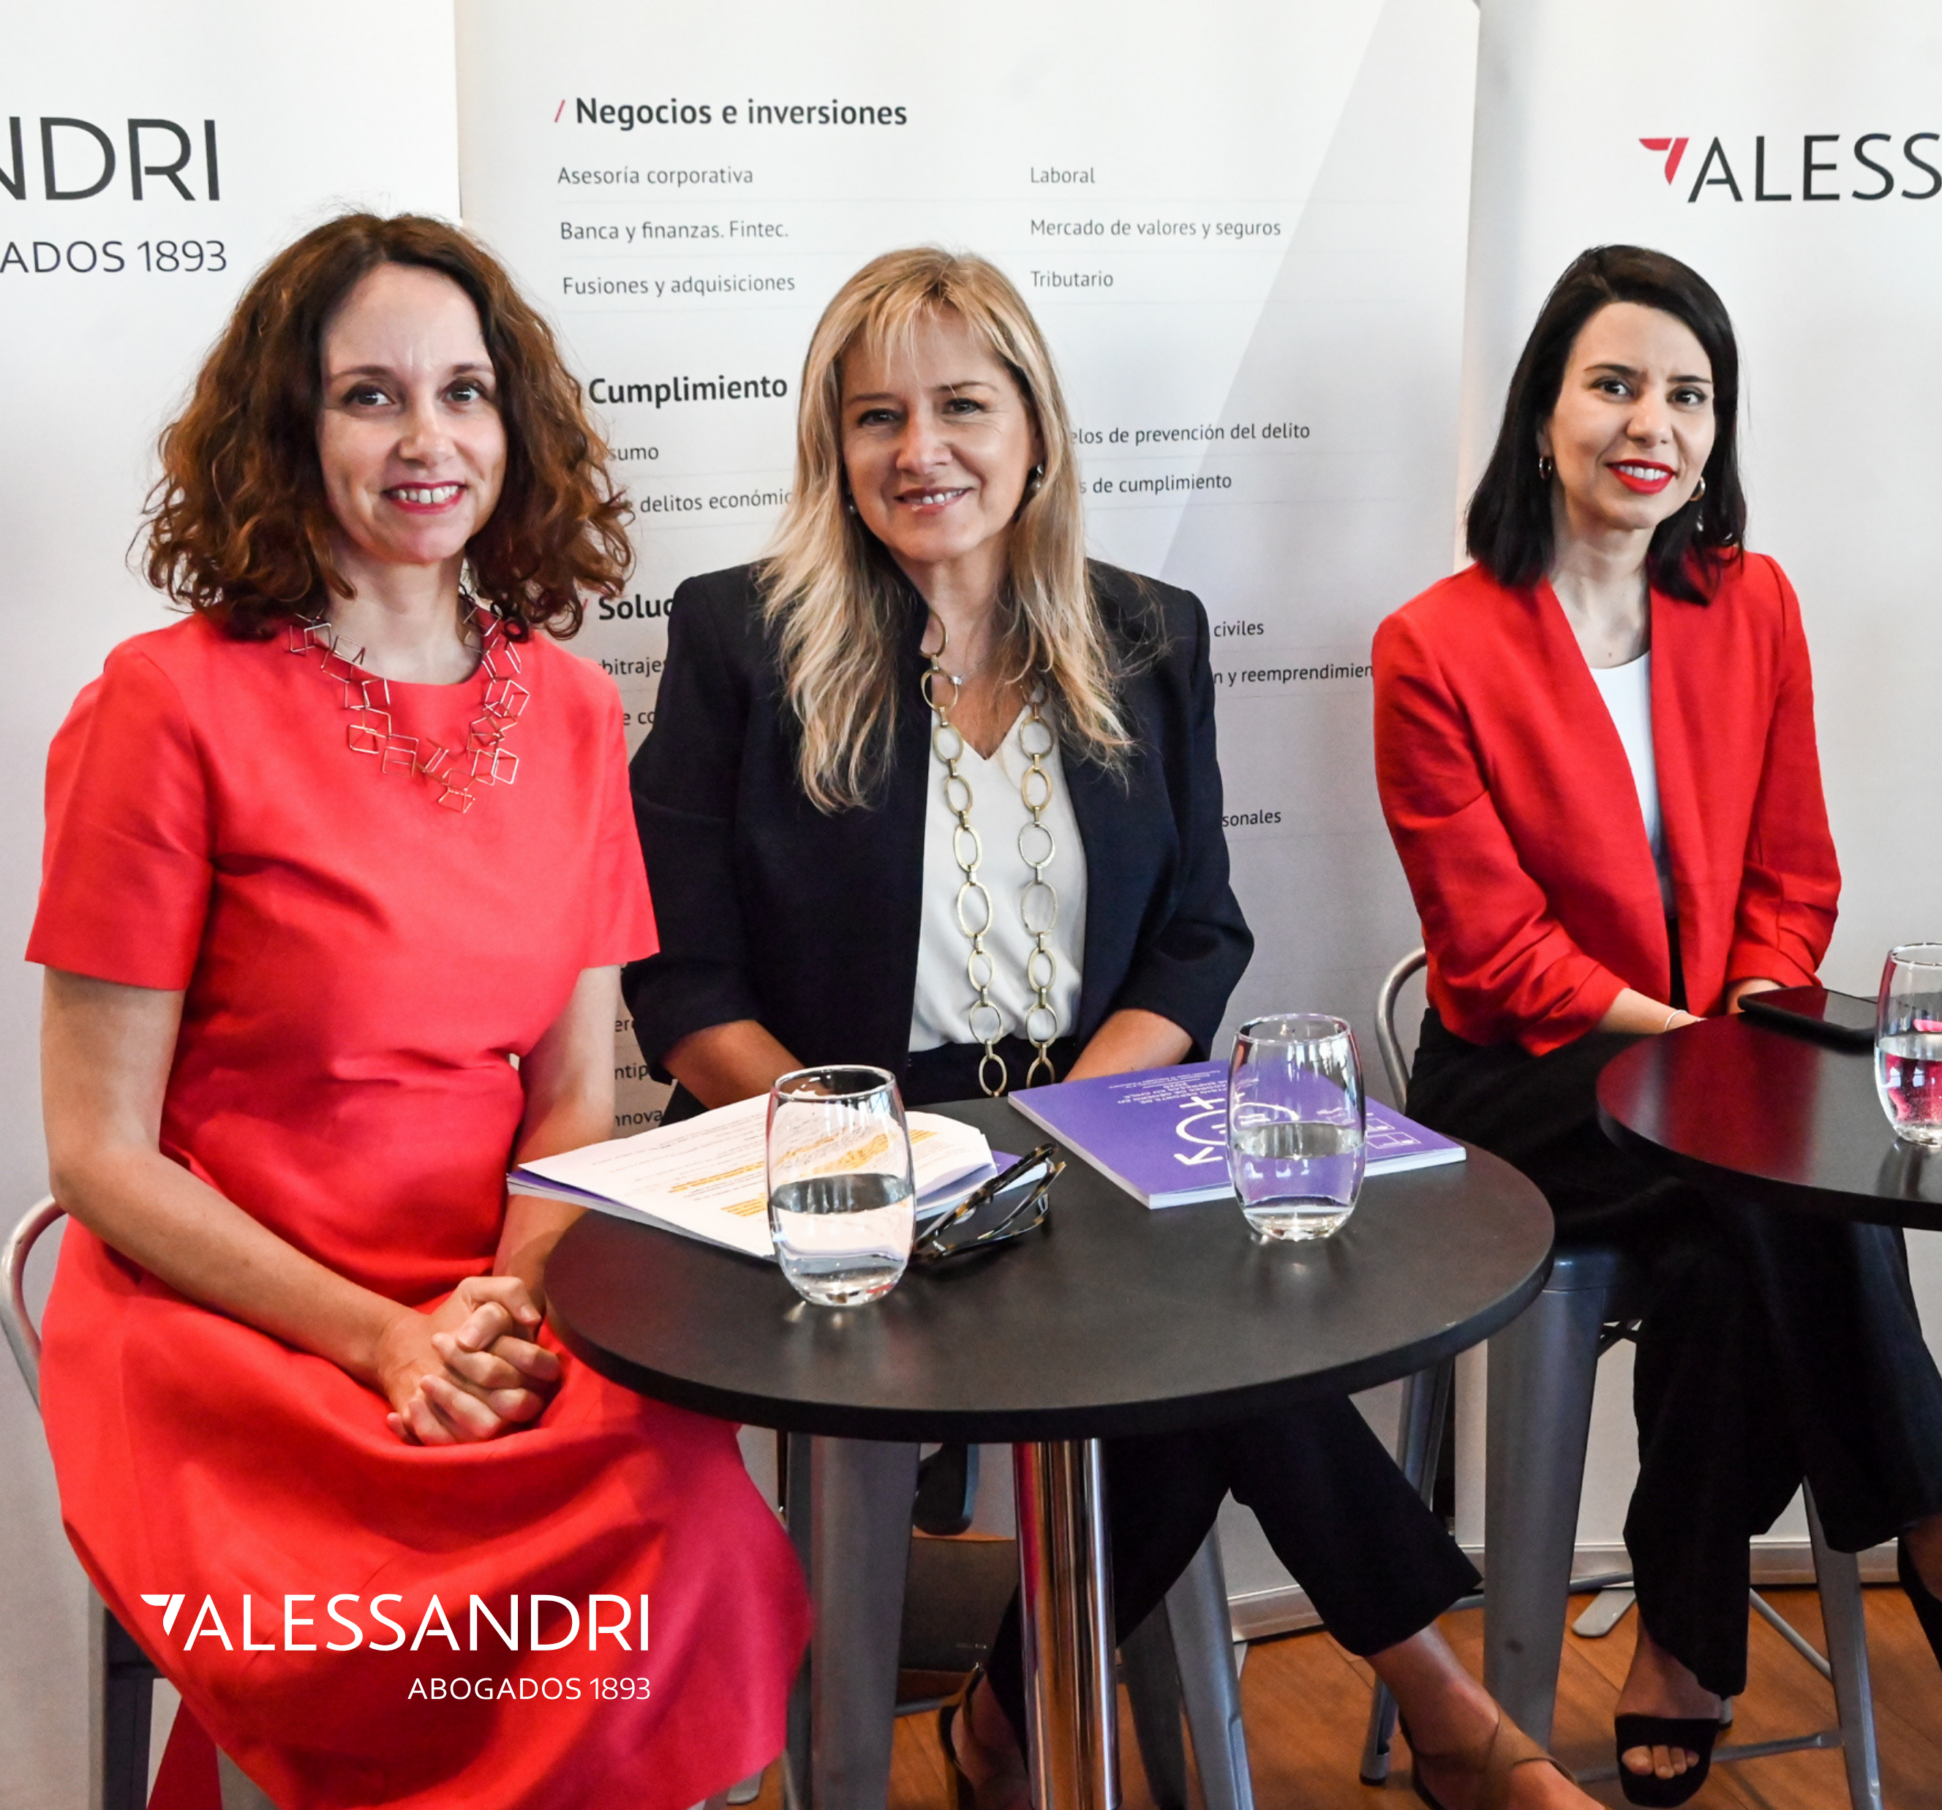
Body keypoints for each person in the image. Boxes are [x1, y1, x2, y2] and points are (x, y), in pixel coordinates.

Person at [622, 246, 1599, 1810]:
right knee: (1213, 1355)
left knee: (1231, 1335)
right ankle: (1437, 1706)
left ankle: (1029, 1719)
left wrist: (1068, 1128)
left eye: (962, 405)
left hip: (1099, 1107)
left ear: (1035, 428)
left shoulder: (1147, 629)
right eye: (877, 416)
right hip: (836, 1140)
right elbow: (683, 988)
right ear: (833, 445)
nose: (921, 450)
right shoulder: (743, 634)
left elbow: (1199, 930)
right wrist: (868, 1143)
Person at [1373, 244, 1942, 1805]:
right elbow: (1494, 948)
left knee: (1739, 1228)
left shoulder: (1751, 603)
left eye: (1690, 394)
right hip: (1525, 1079)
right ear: (1542, 412)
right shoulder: (1435, 642)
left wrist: (1740, 1011)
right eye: (1614, 384)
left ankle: (1686, 1636)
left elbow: (1795, 874)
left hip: (1713, 1057)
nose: (1652, 423)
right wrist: (1695, 1050)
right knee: (1770, 1176)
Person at [30, 214, 808, 1810]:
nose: (426, 438)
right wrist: (385, 1340)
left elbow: (571, 1097)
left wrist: (499, 1305)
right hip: (235, 1327)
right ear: (286, 428)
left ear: (515, 430)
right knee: (375, 1628)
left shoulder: (574, 709)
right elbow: (97, 1152)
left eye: (464, 392)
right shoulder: (162, 706)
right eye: (368, 395)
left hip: (495, 1292)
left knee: (691, 1519)